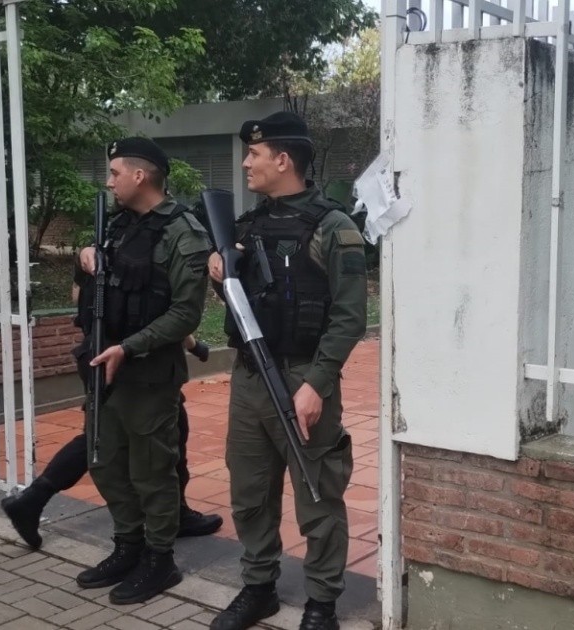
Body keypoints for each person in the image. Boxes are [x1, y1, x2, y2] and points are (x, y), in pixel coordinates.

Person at [207, 111, 367, 630]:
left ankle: (322, 603)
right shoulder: (246, 225)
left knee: (318, 497)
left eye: (255, 154)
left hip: (303, 380)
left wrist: (317, 384)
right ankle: (258, 588)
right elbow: (244, 306)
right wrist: (220, 277)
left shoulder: (333, 227)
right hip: (251, 378)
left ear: (283, 159)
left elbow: (349, 319)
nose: (246, 162)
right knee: (249, 493)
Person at [71, 137, 213, 606]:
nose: (108, 182)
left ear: (140, 175)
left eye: (114, 173)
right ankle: (128, 545)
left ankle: (159, 559)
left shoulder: (183, 232)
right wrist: (86, 258)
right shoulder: (117, 226)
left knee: (152, 471)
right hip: (105, 370)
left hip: (148, 374)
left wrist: (129, 348)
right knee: (106, 462)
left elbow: (184, 316)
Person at [0, 274, 222, 551]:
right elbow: (164, 314)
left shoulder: (101, 252)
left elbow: (81, 296)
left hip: (102, 349)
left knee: (129, 429)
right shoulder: (129, 248)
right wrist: (193, 345)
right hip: (134, 359)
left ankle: (177, 511)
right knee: (110, 435)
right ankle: (32, 500)